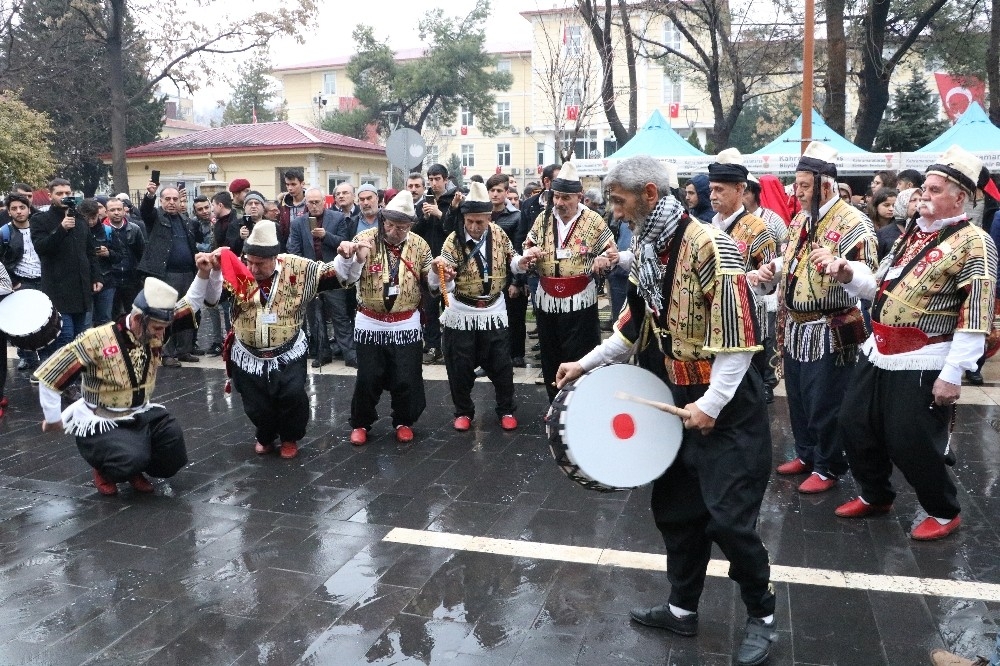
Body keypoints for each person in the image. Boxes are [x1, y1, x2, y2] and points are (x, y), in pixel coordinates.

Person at [556, 155, 777, 666]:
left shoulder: (712, 247)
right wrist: (584, 363)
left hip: (727, 406)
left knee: (728, 519)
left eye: (618, 201)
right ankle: (682, 609)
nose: (613, 212)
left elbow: (739, 342)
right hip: (677, 401)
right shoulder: (652, 248)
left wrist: (711, 405)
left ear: (650, 194)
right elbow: (635, 323)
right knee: (677, 511)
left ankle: (762, 614)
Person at [816, 146, 998, 541]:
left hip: (924, 355)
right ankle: (875, 494)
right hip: (879, 350)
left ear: (959, 197)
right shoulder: (911, 235)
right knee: (853, 423)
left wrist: (952, 375)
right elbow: (877, 285)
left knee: (909, 438)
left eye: (932, 190)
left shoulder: (976, 243)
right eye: (923, 190)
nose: (923, 196)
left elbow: (976, 316)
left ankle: (943, 510)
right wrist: (848, 271)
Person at [751, 142, 878, 494]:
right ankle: (807, 454)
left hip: (831, 327)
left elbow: (871, 278)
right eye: (797, 184)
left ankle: (829, 464)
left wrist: (846, 269)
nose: (797, 191)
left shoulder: (855, 223)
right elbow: (789, 257)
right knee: (799, 396)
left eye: (804, 185)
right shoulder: (802, 219)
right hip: (796, 325)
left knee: (826, 400)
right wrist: (771, 270)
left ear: (825, 185)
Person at [34, 265, 222, 495]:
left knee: (172, 446)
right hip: (102, 419)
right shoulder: (96, 339)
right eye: (157, 329)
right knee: (130, 457)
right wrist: (53, 418)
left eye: (163, 329)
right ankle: (105, 467)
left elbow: (190, 303)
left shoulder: (153, 328)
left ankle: (134, 465)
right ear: (137, 319)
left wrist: (204, 274)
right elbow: (51, 373)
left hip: (140, 412)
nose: (161, 335)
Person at [219, 221, 347, 460]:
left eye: (260, 264)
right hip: (247, 353)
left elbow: (335, 273)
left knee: (291, 395)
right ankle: (265, 435)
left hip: (288, 350)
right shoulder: (236, 269)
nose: (253, 269)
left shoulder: (297, 267)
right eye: (250, 261)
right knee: (255, 403)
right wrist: (210, 272)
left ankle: (289, 437)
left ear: (275, 257)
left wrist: (348, 256)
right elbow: (210, 298)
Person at [514, 161, 617, 401]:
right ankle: (555, 404)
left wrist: (603, 258)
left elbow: (611, 252)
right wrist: (529, 254)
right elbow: (527, 245)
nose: (559, 203)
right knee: (551, 354)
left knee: (581, 353)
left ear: (579, 196)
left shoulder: (593, 220)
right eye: (556, 196)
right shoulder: (543, 218)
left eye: (565, 198)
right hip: (548, 298)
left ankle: (582, 403)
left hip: (580, 299)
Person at [335, 191, 432, 446]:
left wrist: (444, 274)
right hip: (370, 321)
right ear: (382, 219)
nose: (394, 231)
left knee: (406, 376)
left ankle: (403, 420)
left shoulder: (420, 245)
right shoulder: (364, 239)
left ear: (410, 225)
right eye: (390, 225)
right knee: (368, 376)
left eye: (402, 227)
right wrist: (354, 258)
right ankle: (361, 422)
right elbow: (346, 279)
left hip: (405, 322)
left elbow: (432, 282)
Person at [429, 181, 520, 432]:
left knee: (502, 365)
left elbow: (513, 260)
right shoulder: (453, 240)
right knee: (459, 365)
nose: (474, 226)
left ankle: (506, 409)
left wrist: (522, 264)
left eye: (480, 222)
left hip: (493, 310)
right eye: (470, 221)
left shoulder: (499, 235)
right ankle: (464, 411)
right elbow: (439, 277)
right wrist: (442, 273)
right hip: (462, 311)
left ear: (489, 218)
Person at [707, 151, 777, 402]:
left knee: (746, 395)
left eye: (719, 189)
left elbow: (770, 283)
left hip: (747, 326)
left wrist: (753, 279)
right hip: (713, 323)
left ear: (739, 189)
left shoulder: (759, 229)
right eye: (711, 189)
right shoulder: (708, 227)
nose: (713, 196)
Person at [30, 179, 102, 372]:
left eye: (67, 193)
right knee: (65, 336)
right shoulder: (40, 220)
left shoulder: (80, 220)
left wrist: (96, 277)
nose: (64, 197)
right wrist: (61, 229)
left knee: (80, 337)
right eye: (59, 193)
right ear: (50, 195)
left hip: (81, 289)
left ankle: (75, 375)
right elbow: (42, 247)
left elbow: (90, 252)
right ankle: (61, 377)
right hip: (58, 289)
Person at [286, 187, 355, 367]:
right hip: (310, 275)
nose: (314, 206)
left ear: (324, 202)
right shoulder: (298, 223)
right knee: (315, 316)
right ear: (306, 203)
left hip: (332, 273)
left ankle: (350, 353)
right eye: (310, 202)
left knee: (339, 315)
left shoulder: (337, 218)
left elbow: (345, 243)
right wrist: (305, 270)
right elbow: (294, 250)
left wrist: (326, 236)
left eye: (317, 202)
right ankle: (322, 353)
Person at [138, 181, 203, 367]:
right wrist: (149, 195)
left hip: (188, 273)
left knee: (186, 313)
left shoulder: (185, 221)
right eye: (167, 199)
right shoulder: (156, 218)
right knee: (165, 315)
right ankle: (165, 353)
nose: (172, 202)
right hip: (166, 274)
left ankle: (184, 350)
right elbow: (145, 211)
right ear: (161, 200)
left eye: (175, 199)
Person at [413, 163, 460, 365]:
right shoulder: (423, 203)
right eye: (430, 179)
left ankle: (452, 347)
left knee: (451, 306)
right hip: (429, 263)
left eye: (437, 179)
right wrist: (424, 216)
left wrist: (440, 214)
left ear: (445, 179)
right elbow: (414, 232)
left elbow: (456, 229)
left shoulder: (455, 201)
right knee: (430, 308)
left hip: (450, 262)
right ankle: (432, 346)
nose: (433, 183)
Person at [486, 174, 527, 367]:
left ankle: (516, 355)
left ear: (506, 192)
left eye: (499, 190)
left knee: (514, 317)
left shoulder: (516, 216)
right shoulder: (482, 215)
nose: (495, 194)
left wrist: (516, 282)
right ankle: (493, 358)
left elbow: (518, 251)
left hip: (510, 274)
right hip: (488, 276)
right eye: (492, 190)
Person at [1, 192, 44, 371]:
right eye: (14, 209)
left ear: (28, 209)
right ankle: (27, 358)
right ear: (9, 212)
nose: (19, 212)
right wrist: (14, 281)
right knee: (24, 324)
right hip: (21, 282)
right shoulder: (4, 232)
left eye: (22, 208)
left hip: (43, 279)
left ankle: (44, 358)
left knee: (43, 320)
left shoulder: (39, 227)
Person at [104, 197, 145, 320]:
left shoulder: (135, 229)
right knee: (112, 316)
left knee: (134, 315)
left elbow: (142, 253)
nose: (116, 212)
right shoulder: (102, 230)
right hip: (111, 279)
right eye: (112, 210)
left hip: (131, 279)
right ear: (106, 212)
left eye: (119, 209)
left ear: (124, 211)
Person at [82, 198, 118, 326]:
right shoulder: (77, 231)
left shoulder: (107, 231)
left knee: (105, 321)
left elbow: (120, 255)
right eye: (87, 218)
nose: (91, 222)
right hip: (85, 283)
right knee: (86, 323)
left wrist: (108, 253)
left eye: (94, 217)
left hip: (107, 280)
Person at [876, 187, 919, 259]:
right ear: (902, 203)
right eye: (913, 200)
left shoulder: (925, 230)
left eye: (921, 200)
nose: (918, 204)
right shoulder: (884, 233)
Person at [278, 167, 307, 251]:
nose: (290, 188)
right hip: (288, 250)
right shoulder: (282, 205)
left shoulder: (310, 203)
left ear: (302, 184)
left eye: (293, 184)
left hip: (307, 251)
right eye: (287, 184)